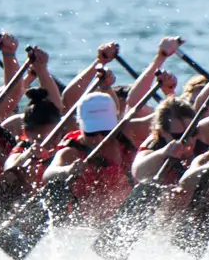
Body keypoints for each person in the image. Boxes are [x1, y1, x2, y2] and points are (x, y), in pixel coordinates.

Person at [41, 91, 137, 223]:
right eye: (91, 132)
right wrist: (67, 170)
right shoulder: (71, 153)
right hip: (84, 222)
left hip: (123, 219)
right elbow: (48, 174)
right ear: (79, 125)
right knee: (54, 187)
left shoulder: (127, 137)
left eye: (105, 132)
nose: (99, 138)